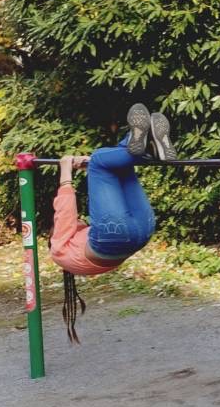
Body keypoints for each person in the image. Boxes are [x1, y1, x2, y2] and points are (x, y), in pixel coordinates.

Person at [49, 103, 176, 342]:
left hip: (141, 233)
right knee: (99, 159)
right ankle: (142, 147)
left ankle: (150, 147)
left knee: (118, 166)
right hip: (112, 236)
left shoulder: (76, 258)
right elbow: (65, 212)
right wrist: (66, 171)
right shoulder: (58, 249)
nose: (77, 222)